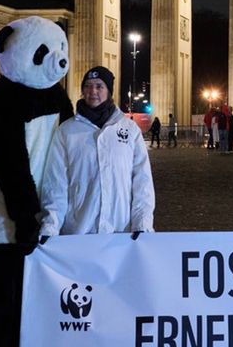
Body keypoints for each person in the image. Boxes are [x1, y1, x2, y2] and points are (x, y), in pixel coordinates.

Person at [39, 66, 155, 237]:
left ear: (109, 91)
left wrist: (142, 225)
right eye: (88, 85)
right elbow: (56, 184)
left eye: (99, 86)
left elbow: (142, 181)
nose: (93, 91)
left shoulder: (130, 130)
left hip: (120, 231)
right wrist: (50, 227)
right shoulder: (66, 131)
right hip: (79, 233)